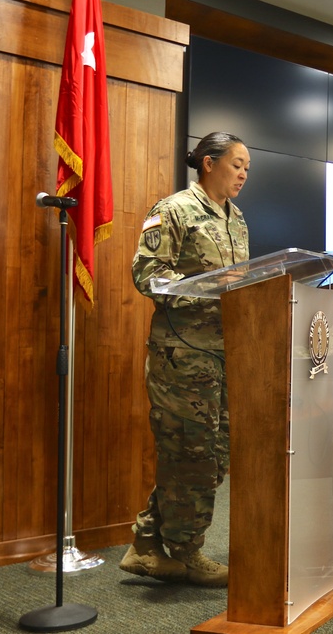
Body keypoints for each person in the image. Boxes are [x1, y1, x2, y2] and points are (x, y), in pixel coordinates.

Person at [121, 132, 251, 587]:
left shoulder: (237, 220)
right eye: (237, 164)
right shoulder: (173, 209)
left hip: (224, 355)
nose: (243, 174)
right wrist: (210, 286)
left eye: (247, 168)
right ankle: (188, 552)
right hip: (182, 357)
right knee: (189, 455)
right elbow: (147, 275)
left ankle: (146, 542)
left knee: (210, 456)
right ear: (209, 163)